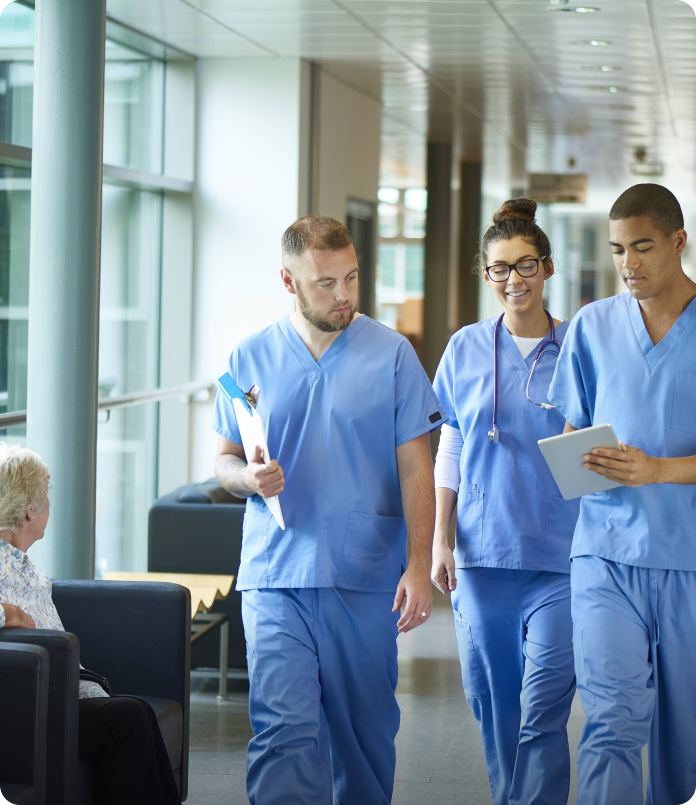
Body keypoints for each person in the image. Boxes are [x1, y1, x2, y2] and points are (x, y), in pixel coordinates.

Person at [213, 214, 445, 805]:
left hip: (363, 572)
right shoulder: (250, 356)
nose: (343, 295)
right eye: (326, 283)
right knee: (283, 730)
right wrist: (248, 477)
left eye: (352, 278)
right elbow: (224, 459)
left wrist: (419, 567)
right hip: (276, 572)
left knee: (363, 737)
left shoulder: (392, 354)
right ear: (289, 282)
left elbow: (418, 465)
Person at [548, 183, 696, 805]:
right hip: (604, 554)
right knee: (611, 721)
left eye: (642, 247)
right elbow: (570, 428)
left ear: (679, 242)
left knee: (684, 739)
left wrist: (656, 471)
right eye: (617, 251)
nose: (628, 264)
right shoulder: (593, 325)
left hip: (687, 558)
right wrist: (579, 458)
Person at [431, 198, 580, 805]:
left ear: (547, 268)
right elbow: (452, 441)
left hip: (562, 553)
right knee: (492, 698)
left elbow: (597, 435)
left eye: (526, 265)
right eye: (499, 268)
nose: (513, 280)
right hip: (483, 552)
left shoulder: (578, 346)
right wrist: (440, 537)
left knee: (545, 700)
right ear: (484, 273)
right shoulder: (465, 347)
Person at [0, 443, 180, 805]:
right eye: (46, 498)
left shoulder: (28, 568)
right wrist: (10, 615)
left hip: (71, 691)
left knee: (133, 713)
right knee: (129, 717)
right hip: (37, 700)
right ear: (30, 511)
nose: (51, 505)